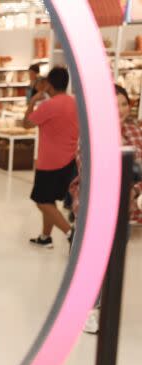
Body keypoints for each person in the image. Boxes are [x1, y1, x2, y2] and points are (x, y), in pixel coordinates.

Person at [69, 84, 142, 333]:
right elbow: (89, 170)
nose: (120, 110)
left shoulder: (135, 131)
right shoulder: (92, 134)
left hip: (125, 208)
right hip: (93, 206)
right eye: (114, 104)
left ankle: (100, 307)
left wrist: (133, 189)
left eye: (123, 104)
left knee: (113, 260)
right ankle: (87, 309)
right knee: (89, 259)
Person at [24, 66, 79, 249]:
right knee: (50, 200)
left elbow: (26, 124)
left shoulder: (49, 106)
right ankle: (45, 237)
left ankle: (71, 233)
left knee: (41, 201)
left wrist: (33, 100)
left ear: (49, 85)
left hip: (50, 162)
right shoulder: (74, 103)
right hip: (70, 160)